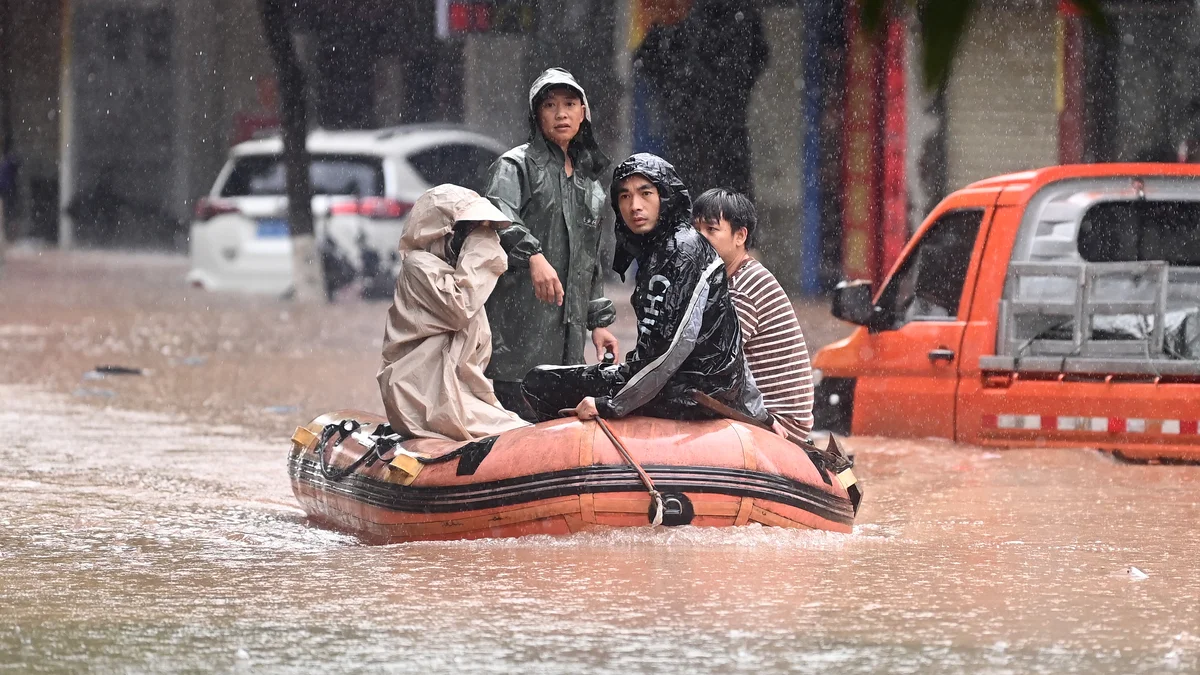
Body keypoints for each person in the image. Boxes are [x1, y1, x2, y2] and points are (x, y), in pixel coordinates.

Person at [520, 153, 769, 425]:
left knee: (542, 385)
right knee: (544, 379)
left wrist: (610, 403)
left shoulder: (683, 250)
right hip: (682, 383)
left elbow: (670, 349)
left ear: (666, 197)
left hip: (695, 393)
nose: (634, 206)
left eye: (645, 193)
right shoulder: (660, 249)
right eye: (624, 197)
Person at [483, 68, 619, 420]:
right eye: (550, 105)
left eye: (570, 104)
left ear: (583, 113)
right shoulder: (515, 166)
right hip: (517, 328)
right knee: (513, 428)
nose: (561, 114)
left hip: (568, 340)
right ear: (536, 114)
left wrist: (598, 323)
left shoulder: (591, 184)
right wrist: (534, 255)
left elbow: (589, 262)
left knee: (561, 426)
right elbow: (499, 215)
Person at [377, 184, 530, 442]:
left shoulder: (457, 272)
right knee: (521, 437)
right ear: (443, 229)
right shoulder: (419, 267)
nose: (479, 235)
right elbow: (459, 307)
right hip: (424, 399)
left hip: (455, 396)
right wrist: (482, 248)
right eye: (469, 228)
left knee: (525, 432)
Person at [693, 188, 815, 438]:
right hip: (763, 412)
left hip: (778, 422)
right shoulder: (728, 279)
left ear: (740, 236)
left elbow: (713, 361)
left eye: (711, 230)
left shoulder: (743, 286)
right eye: (696, 231)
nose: (699, 239)